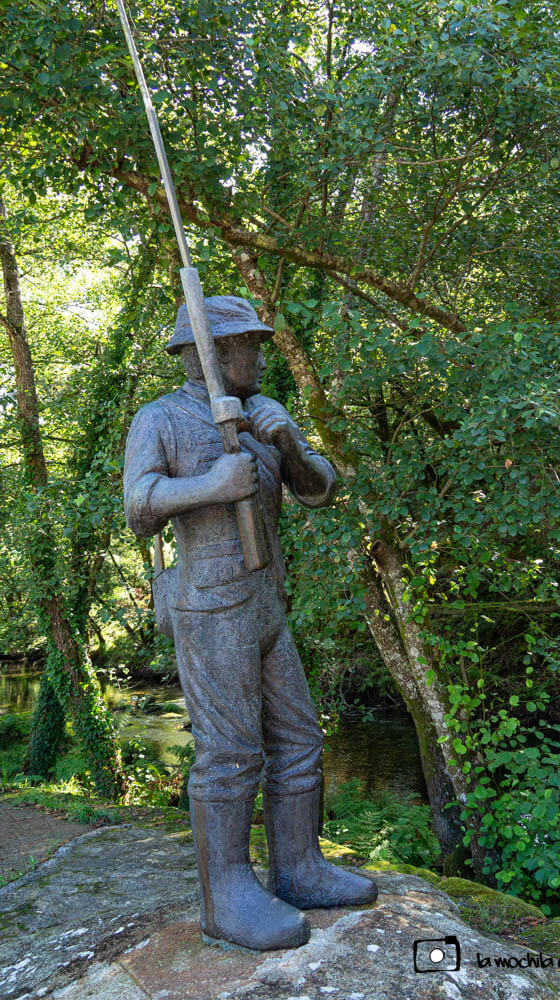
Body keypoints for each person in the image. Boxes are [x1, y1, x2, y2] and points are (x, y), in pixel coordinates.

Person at [123, 295, 377, 951]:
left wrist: (288, 444)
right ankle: (227, 895)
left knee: (299, 739)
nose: (260, 356)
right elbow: (139, 505)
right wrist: (212, 485)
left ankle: (297, 867)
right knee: (231, 754)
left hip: (268, 604)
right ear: (214, 352)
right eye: (250, 345)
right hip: (211, 607)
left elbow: (319, 490)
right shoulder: (161, 420)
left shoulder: (264, 413)